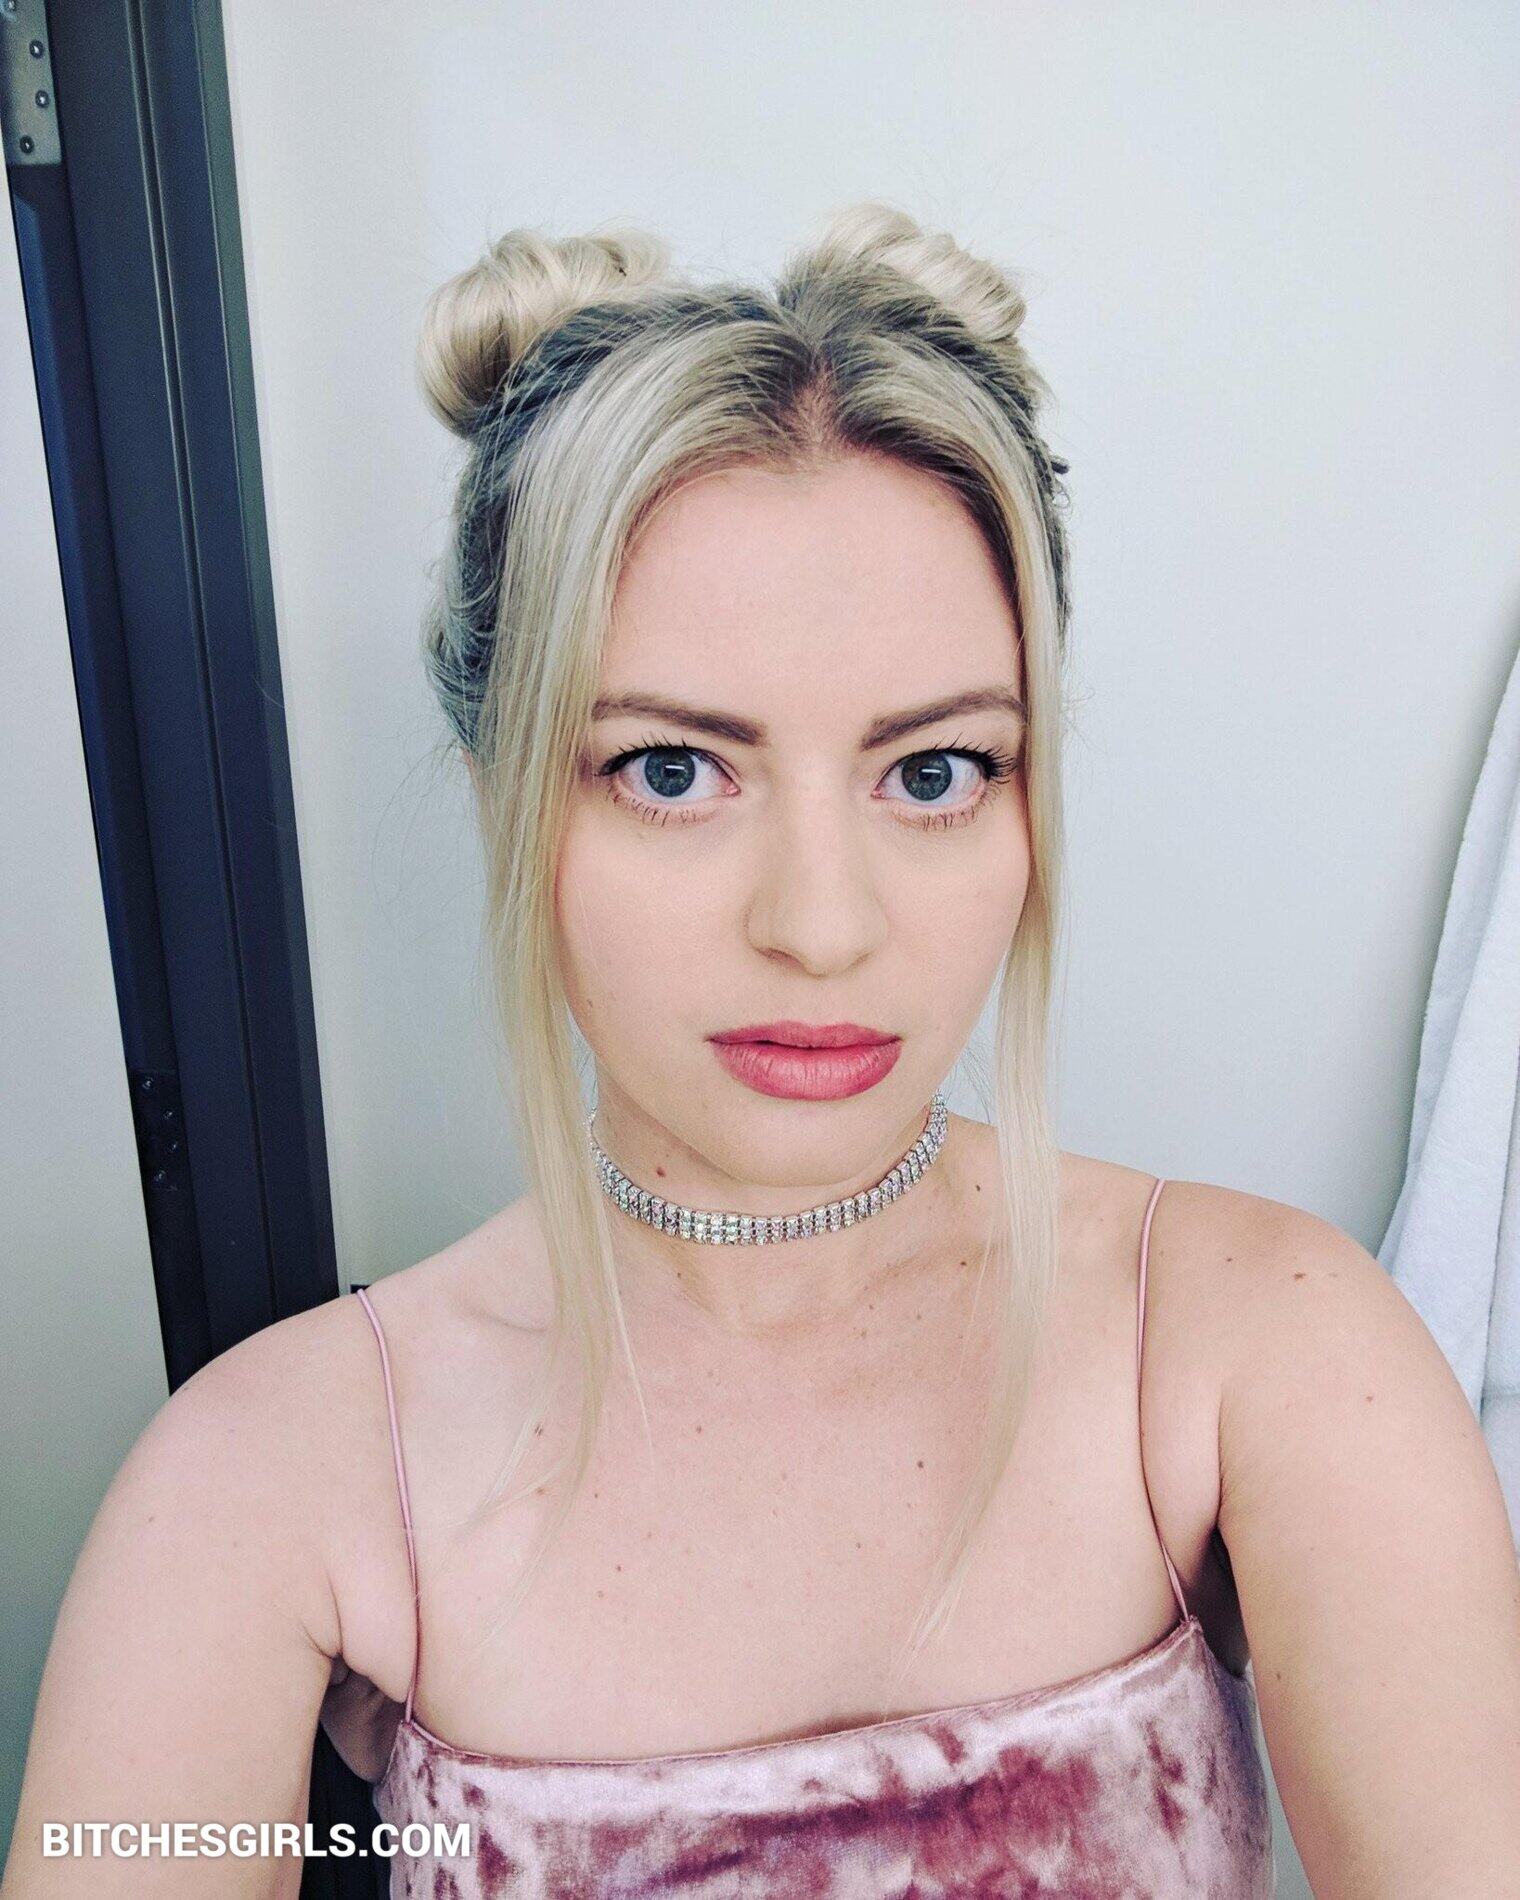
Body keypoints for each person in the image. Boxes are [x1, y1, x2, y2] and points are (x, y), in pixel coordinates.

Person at [6, 203, 1519, 1900]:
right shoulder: (271, 1479)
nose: (822, 925)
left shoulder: (1264, 1349)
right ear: (507, 793)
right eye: (672, 771)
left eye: (933, 773)